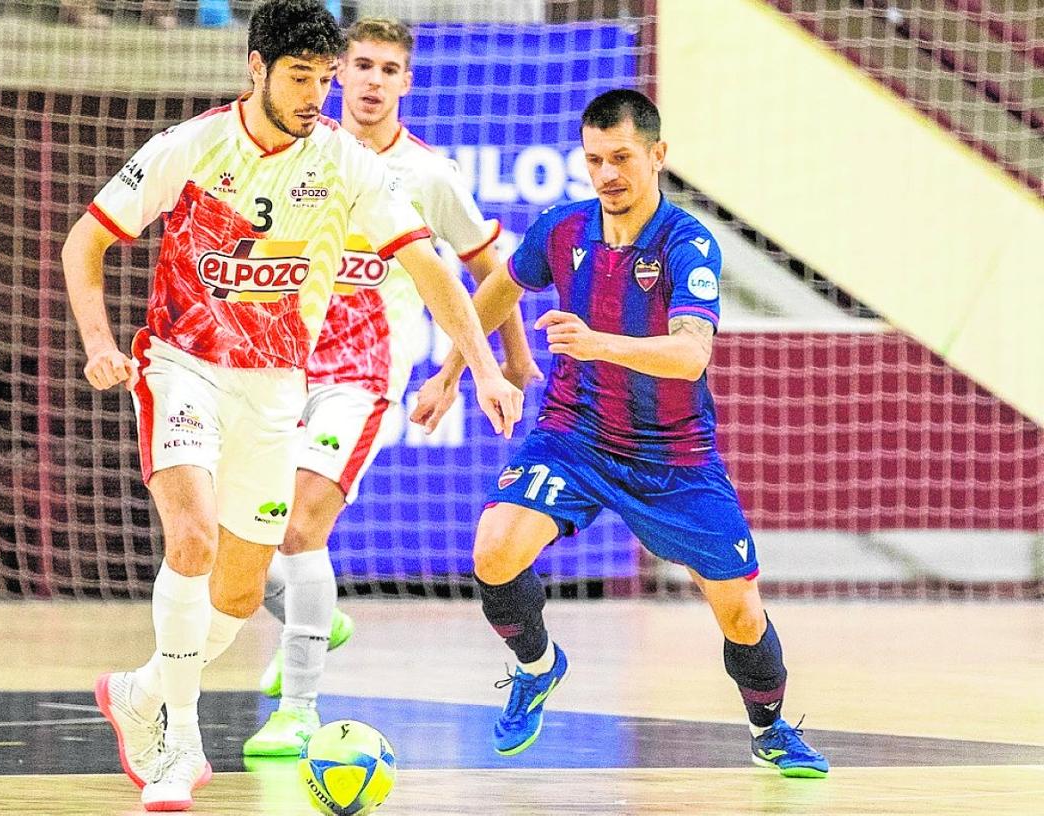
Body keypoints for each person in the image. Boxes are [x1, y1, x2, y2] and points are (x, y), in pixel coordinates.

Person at [61, 1, 522, 810]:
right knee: (194, 539)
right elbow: (84, 243)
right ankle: (180, 743)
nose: (318, 94)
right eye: (301, 78)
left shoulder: (347, 163)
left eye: (325, 78)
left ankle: (139, 693)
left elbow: (433, 272)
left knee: (238, 597)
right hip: (184, 367)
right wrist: (101, 344)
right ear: (257, 68)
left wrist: (481, 367)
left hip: (278, 390)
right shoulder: (194, 147)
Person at [411, 88, 830, 778]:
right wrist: (456, 368)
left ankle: (771, 728)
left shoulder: (686, 243)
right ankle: (537, 666)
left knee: (740, 614)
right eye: (595, 159)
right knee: (494, 551)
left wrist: (595, 343)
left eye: (622, 157)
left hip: (674, 458)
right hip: (574, 434)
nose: (607, 173)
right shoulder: (563, 228)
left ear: (658, 156)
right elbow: (497, 290)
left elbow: (691, 353)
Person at [242, 17, 542, 757]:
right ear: (338, 75)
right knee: (237, 537)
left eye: (388, 70)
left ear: (407, 82)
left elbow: (490, 269)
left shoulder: (430, 175)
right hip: (277, 366)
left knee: (300, 529)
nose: (373, 82)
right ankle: (316, 618)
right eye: (362, 66)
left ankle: (300, 711)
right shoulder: (294, 153)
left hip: (365, 370)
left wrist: (495, 364)